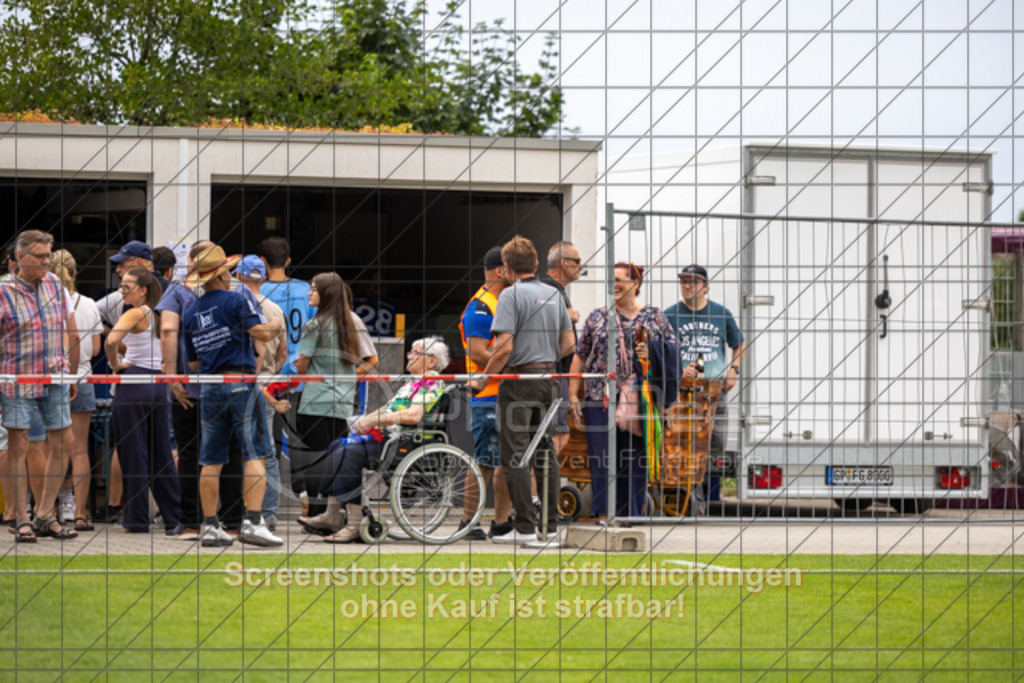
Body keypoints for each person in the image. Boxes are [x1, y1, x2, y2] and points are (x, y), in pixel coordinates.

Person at [471, 236, 574, 544]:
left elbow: (503, 347)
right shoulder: (555, 294)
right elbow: (569, 343)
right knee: (545, 451)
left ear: (506, 267)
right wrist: (546, 357)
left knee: (515, 454)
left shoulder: (510, 295)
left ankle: (526, 528)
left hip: (519, 381)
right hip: (549, 378)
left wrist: (483, 379)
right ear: (537, 263)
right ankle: (549, 527)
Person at [182, 245, 283, 547]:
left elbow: (192, 364)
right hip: (240, 382)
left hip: (209, 387)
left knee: (211, 459)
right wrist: (276, 325)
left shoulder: (191, 312)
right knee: (256, 453)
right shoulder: (236, 300)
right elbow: (261, 333)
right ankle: (253, 522)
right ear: (222, 275)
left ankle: (211, 526)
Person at [569, 262, 676, 524]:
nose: (614, 284)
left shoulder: (654, 316)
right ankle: (605, 516)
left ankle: (631, 516)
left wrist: (652, 351)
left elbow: (673, 352)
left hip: (640, 398)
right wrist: (572, 394)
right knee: (602, 459)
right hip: (600, 398)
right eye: (611, 279)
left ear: (635, 284)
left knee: (634, 460)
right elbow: (580, 355)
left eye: (620, 279)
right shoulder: (597, 316)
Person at [316, 336, 449, 543]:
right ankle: (331, 514)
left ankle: (354, 523)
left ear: (432, 361)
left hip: (406, 442)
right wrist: (366, 420)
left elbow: (413, 416)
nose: (409, 356)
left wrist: (374, 421)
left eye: (415, 352)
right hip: (390, 438)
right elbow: (388, 409)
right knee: (337, 445)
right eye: (410, 352)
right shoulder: (412, 382)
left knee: (349, 453)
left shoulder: (431, 381)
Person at [0, 230, 79, 542]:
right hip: (16, 377)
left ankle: (45, 514)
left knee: (65, 442)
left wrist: (70, 373)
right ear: (20, 257)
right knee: (18, 446)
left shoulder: (55, 285)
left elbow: (69, 331)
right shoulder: (3, 290)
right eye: (40, 256)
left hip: (54, 374)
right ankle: (21, 518)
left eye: (49, 256)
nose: (47, 262)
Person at [293, 272, 378, 534]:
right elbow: (372, 360)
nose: (309, 293)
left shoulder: (314, 324)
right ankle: (337, 513)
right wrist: (347, 378)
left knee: (315, 462)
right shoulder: (354, 320)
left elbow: (302, 366)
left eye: (313, 289)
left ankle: (318, 516)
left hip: (315, 403)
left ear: (326, 293)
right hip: (343, 404)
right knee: (338, 462)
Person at [663, 264, 746, 516]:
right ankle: (694, 501)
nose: (687, 286)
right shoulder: (670, 315)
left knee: (716, 443)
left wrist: (734, 370)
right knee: (687, 445)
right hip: (684, 391)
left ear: (705, 287)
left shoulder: (721, 314)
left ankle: (697, 490)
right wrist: (678, 372)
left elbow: (739, 344)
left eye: (693, 282)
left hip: (714, 389)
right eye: (684, 281)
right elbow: (662, 352)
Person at [106, 267, 180, 534]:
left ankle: (136, 519)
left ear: (143, 290)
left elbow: (111, 341)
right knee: (161, 452)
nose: (122, 291)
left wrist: (116, 364)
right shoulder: (159, 314)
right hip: (157, 384)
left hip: (133, 384)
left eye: (127, 286)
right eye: (121, 285)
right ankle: (174, 517)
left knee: (133, 453)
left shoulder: (135, 313)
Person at [456, 246, 514, 541]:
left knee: (506, 461)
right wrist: (511, 362)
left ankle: (502, 523)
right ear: (501, 271)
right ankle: (468, 522)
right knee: (484, 461)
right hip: (487, 396)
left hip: (504, 395)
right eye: (513, 267)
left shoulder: (500, 302)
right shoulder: (480, 306)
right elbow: (478, 352)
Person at [234, 255, 289, 531]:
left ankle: (241, 511)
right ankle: (268, 512)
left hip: (241, 383)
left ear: (238, 276)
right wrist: (269, 377)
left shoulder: (237, 305)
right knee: (266, 450)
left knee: (237, 451)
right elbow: (283, 354)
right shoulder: (275, 309)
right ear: (264, 278)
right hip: (267, 384)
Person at [51, 249, 103, 531]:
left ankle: (49, 510)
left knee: (50, 449)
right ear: (75, 273)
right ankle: (81, 513)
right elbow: (95, 349)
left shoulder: (46, 302)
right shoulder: (89, 304)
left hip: (53, 380)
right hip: (83, 377)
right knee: (80, 450)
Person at [539, 240, 585, 468]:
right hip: (554, 375)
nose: (580, 266)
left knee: (543, 438)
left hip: (551, 374)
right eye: (577, 261)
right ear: (564, 263)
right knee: (558, 436)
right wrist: (567, 316)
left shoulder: (552, 290)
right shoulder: (550, 289)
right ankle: (537, 486)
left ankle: (534, 485)